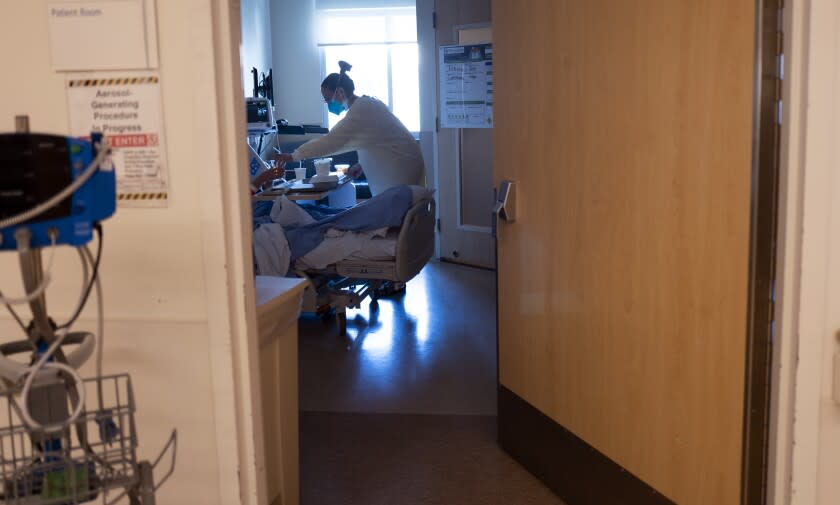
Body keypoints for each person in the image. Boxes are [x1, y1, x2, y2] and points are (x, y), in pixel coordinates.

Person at [274, 61, 425, 196]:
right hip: (408, 165)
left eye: (327, 99)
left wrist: (295, 155)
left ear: (340, 92)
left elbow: (331, 141)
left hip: (401, 172)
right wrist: (361, 165)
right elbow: (377, 141)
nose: (327, 104)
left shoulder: (361, 110)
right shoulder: (368, 104)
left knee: (394, 216)